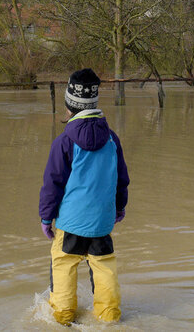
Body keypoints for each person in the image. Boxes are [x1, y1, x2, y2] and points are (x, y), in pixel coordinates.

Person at [38, 68, 130, 325]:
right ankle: (109, 317)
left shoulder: (64, 141)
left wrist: (46, 218)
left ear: (69, 104)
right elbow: (121, 179)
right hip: (101, 223)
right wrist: (119, 208)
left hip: (70, 225)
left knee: (64, 265)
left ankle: (62, 316)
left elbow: (52, 184)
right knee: (104, 269)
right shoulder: (112, 139)